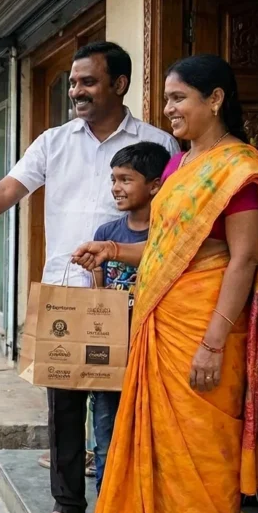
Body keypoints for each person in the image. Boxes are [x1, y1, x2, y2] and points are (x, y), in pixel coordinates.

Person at [0, 42, 179, 513]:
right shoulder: (53, 141)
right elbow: (5, 191)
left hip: (128, 299)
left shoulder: (158, 145)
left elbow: (174, 219)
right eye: (74, 83)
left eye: (88, 82)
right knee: (61, 409)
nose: (76, 91)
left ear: (119, 84)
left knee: (115, 411)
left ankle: (118, 506)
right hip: (65, 295)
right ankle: (67, 506)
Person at [71, 54, 258, 513]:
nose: (168, 109)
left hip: (205, 331)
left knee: (201, 452)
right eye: (166, 99)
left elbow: (244, 258)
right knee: (157, 452)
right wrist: (111, 249)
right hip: (161, 327)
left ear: (214, 100)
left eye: (177, 98)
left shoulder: (238, 169)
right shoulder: (178, 164)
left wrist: (213, 341)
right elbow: (165, 248)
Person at [86, 141, 171, 494]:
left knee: (153, 434)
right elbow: (99, 297)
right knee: (106, 434)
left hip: (156, 350)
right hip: (113, 355)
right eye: (113, 179)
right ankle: (108, 507)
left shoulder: (167, 234)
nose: (116, 188)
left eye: (126, 180)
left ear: (154, 185)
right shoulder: (106, 234)